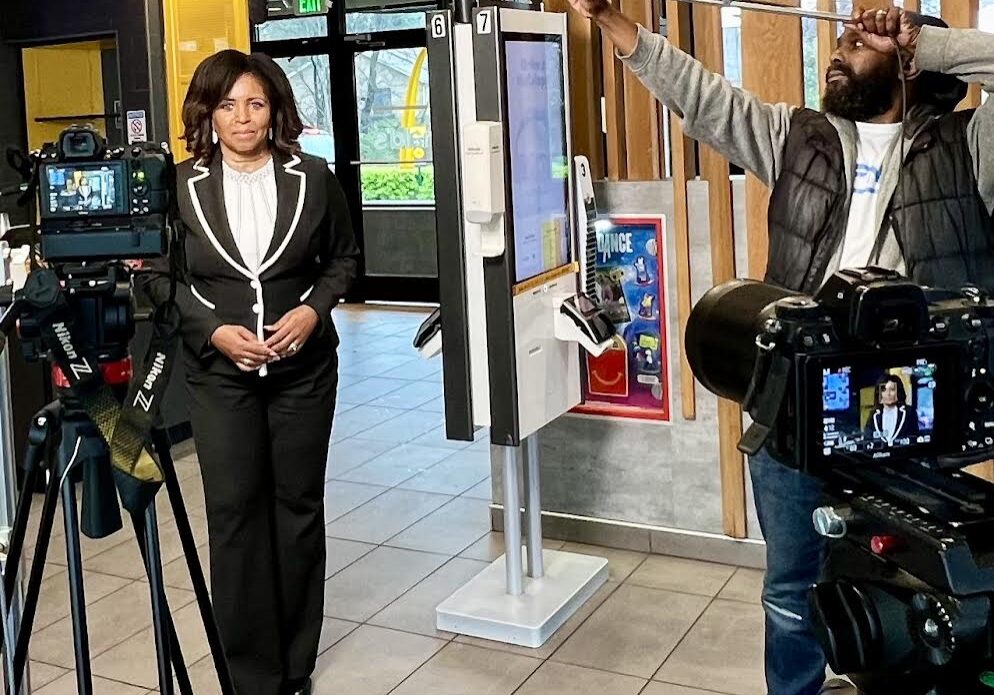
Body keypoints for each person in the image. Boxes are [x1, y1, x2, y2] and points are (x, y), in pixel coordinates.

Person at [564, 2, 994, 694]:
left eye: (859, 43)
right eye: (841, 38)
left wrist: (930, 45)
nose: (839, 49)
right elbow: (704, 100)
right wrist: (612, 18)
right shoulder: (801, 138)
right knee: (791, 585)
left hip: (909, 413)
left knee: (910, 590)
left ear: (908, 67)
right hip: (797, 403)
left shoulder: (969, 143)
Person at [138, 49, 359, 695]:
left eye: (255, 103)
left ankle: (295, 663)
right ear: (207, 110)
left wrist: (314, 310)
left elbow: (342, 259)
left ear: (275, 109)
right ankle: (250, 672)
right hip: (219, 374)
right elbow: (158, 277)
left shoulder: (314, 176)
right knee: (235, 512)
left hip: (305, 373)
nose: (242, 117)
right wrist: (212, 330)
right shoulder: (176, 184)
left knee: (297, 507)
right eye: (228, 103)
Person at [863, 374, 920, 446]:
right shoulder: (874, 415)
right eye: (884, 390)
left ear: (898, 392)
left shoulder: (909, 413)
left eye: (892, 389)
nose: (888, 394)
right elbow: (867, 440)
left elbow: (915, 438)